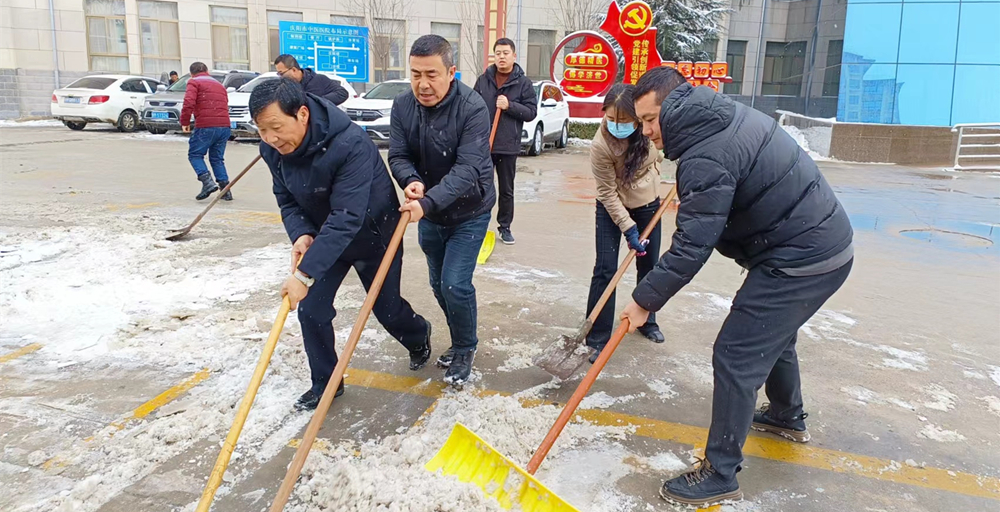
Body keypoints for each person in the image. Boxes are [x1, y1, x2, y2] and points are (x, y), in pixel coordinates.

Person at [620, 67, 854, 506]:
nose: (647, 132)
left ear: (674, 108)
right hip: (816, 244)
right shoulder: (718, 116)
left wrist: (644, 300)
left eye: (651, 120)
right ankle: (786, 415)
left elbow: (692, 246)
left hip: (803, 257)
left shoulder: (705, 157)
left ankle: (720, 472)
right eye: (642, 122)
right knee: (771, 334)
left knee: (737, 351)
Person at [249, 78, 433, 411]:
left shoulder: (350, 144)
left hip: (374, 235)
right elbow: (286, 197)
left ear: (302, 114)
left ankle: (419, 335)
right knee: (312, 310)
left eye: (276, 127)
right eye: (262, 130)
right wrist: (302, 232)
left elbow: (348, 216)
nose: (270, 138)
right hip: (326, 240)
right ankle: (326, 382)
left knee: (387, 310)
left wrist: (303, 275)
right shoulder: (272, 149)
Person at [388, 35, 495, 386]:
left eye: (431, 74)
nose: (423, 83)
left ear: (451, 72)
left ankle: (465, 346)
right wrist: (411, 180)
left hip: (469, 210)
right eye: (416, 74)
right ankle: (456, 336)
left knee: (455, 284)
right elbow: (398, 155)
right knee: (437, 283)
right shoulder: (403, 106)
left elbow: (467, 170)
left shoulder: (473, 107)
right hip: (429, 210)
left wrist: (427, 202)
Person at [585, 84, 665, 364]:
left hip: (648, 204)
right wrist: (628, 228)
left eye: (624, 121)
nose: (617, 126)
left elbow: (663, 156)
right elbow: (606, 192)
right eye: (611, 119)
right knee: (605, 269)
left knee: (650, 266)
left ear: (637, 119)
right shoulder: (601, 146)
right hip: (611, 206)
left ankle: (647, 321)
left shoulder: (649, 132)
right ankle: (596, 337)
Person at [473, 37, 537, 245]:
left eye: (505, 53)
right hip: (483, 143)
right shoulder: (484, 80)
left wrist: (510, 105)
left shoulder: (523, 83)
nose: (501, 57)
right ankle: (477, 225)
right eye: (498, 53)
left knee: (506, 190)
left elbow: (531, 112)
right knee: (480, 186)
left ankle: (505, 227)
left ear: (514, 56)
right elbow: (471, 106)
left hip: (508, 145)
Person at [180, 62, 233, 201]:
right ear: (207, 71)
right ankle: (225, 191)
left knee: (195, 155)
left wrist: (185, 122)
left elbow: (188, 103)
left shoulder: (194, 82)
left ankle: (207, 182)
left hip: (206, 126)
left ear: (192, 73)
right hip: (224, 126)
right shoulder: (219, 85)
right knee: (217, 158)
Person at [273, 54, 349, 106]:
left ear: (294, 70)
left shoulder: (319, 80)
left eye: (281, 73)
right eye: (279, 74)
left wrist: (318, 102)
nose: (281, 77)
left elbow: (342, 93)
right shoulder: (285, 88)